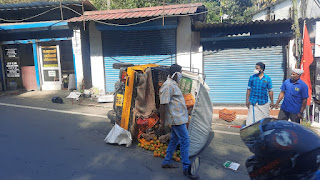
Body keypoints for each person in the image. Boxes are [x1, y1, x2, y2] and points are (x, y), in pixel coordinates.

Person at [159, 64, 198, 179]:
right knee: (185, 140)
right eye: (181, 73)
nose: (182, 76)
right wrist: (162, 122)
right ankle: (186, 168)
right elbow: (163, 105)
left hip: (179, 117)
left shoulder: (174, 84)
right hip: (176, 119)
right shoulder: (168, 86)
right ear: (176, 74)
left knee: (174, 140)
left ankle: (166, 161)